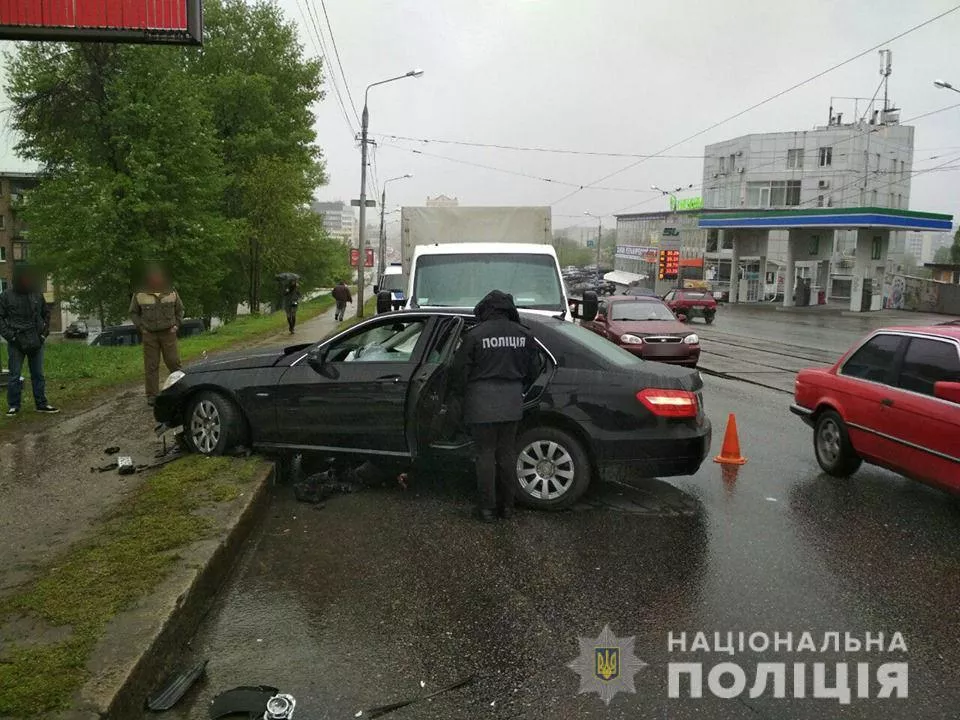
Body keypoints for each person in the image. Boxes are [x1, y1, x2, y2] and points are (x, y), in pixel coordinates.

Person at [451, 290, 538, 522]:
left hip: (481, 401)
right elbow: (534, 369)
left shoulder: (475, 334)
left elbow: (459, 371)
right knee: (507, 454)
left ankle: (487, 509)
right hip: (512, 400)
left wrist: (458, 396)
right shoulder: (524, 334)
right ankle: (507, 508)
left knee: (485, 455)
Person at [0, 265, 58, 416]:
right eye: (25, 277)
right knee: (14, 375)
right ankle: (14, 405)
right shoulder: (6, 296)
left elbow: (46, 313)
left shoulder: (36, 293)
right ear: (18, 278)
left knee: (38, 374)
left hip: (36, 339)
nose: (28, 280)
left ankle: (41, 403)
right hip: (16, 340)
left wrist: (44, 334)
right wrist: (11, 336)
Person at [129, 265, 184, 406]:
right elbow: (133, 312)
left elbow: (180, 309)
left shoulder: (171, 291)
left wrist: (177, 325)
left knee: (174, 362)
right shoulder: (139, 293)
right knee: (151, 366)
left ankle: (181, 390)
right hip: (150, 335)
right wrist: (141, 328)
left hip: (168, 333)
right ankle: (152, 396)